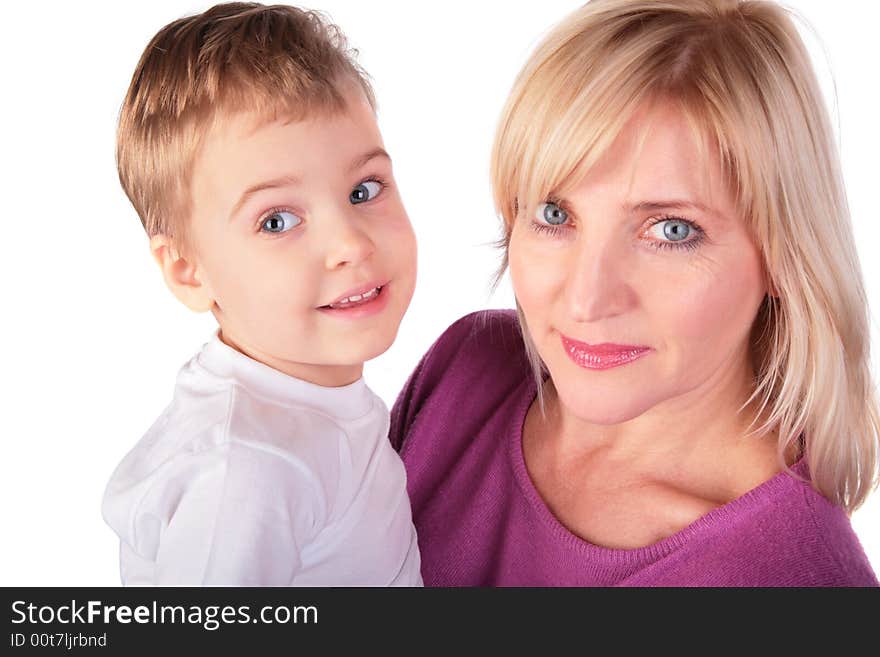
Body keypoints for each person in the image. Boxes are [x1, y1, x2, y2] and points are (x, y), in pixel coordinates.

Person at [391, 0, 879, 586]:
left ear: (782, 255)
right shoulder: (466, 373)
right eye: (554, 213)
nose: (586, 300)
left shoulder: (793, 576)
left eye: (671, 230)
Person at [102, 2, 421, 586]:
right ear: (189, 272)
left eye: (364, 189)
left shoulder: (306, 405)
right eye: (277, 221)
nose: (349, 242)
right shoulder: (245, 471)